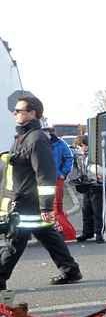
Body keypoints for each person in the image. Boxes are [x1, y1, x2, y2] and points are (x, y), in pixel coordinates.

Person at [0, 95, 82, 290]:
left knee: (15, 240)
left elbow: (46, 174)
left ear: (32, 113)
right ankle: (70, 270)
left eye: (19, 110)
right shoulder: (23, 137)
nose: (15, 113)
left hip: (28, 202)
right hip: (25, 199)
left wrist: (46, 206)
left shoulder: (36, 139)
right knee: (46, 233)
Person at [43, 127, 76, 241]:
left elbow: (69, 158)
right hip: (43, 180)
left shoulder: (60, 144)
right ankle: (55, 234)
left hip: (56, 179)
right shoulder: (41, 144)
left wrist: (63, 173)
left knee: (56, 209)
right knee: (47, 209)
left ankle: (67, 233)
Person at [76, 135, 106, 243]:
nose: (81, 148)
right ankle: (87, 232)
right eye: (80, 146)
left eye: (82, 145)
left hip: (97, 185)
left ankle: (99, 233)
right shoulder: (82, 156)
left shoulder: (96, 155)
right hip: (87, 185)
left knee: (98, 211)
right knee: (86, 210)